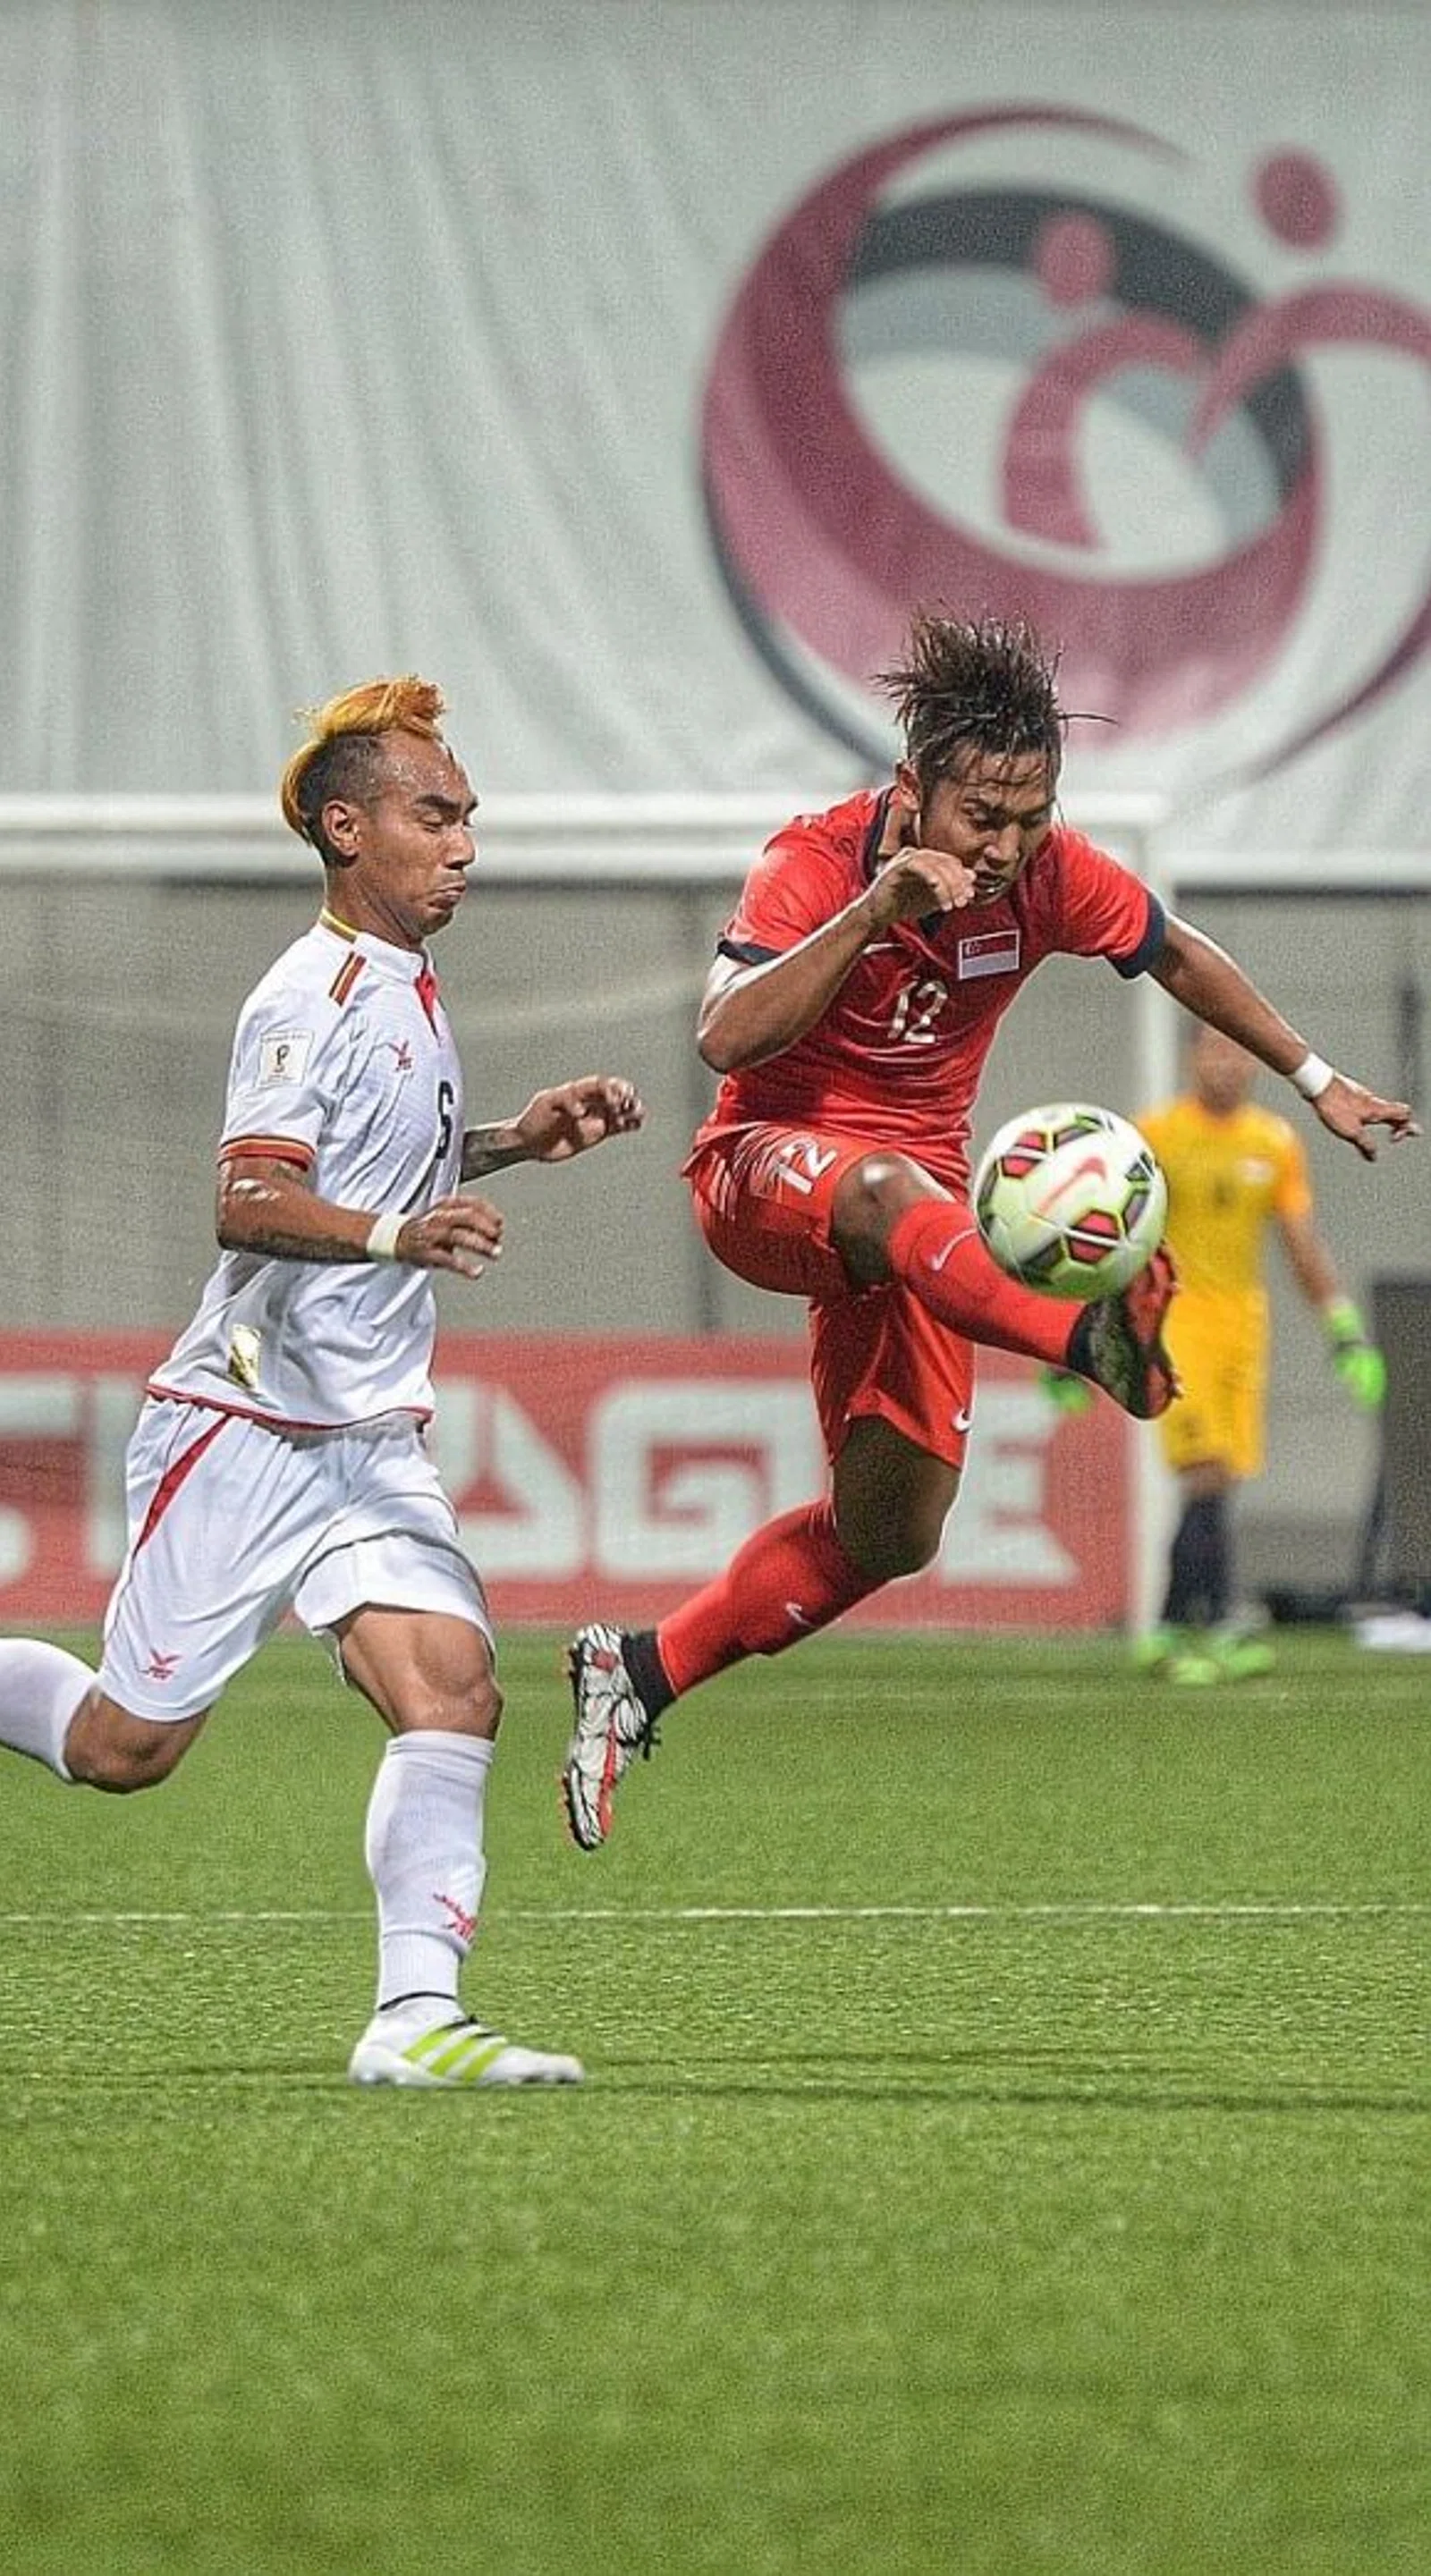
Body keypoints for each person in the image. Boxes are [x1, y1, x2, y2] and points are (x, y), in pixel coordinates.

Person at [0, 676, 644, 2087]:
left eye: (469, 815)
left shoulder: (409, 984)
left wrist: (518, 1134)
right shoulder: (305, 995)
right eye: (434, 812)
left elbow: (374, 1167)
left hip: (366, 1440)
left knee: (454, 1691)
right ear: (349, 829)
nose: (464, 841)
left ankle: (416, 2018)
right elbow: (250, 1198)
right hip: (246, 1426)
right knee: (121, 1748)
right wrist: (404, 1233)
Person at [559, 612, 1415, 1851]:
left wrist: (1316, 1073)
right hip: (762, 1170)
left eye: (1032, 816)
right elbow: (727, 1037)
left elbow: (1179, 953)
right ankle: (1083, 1341)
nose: (1010, 847)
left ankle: (637, 1672)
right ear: (912, 792)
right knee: (891, 1194)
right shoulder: (812, 860)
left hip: (920, 1222)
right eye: (982, 818)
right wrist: (870, 911)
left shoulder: (1055, 873)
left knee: (889, 1535)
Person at [1130, 1022, 1386, 1684]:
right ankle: (1212, 1623)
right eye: (1217, 1050)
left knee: (1220, 1482)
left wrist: (1342, 1328)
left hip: (1245, 1327)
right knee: (1207, 1474)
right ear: (1192, 1056)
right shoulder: (1157, 1136)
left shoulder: (1273, 1142)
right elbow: (1119, 1239)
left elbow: (1301, 1243)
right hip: (1178, 1321)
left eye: (1240, 1053)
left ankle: (1163, 1626)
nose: (1230, 1065)